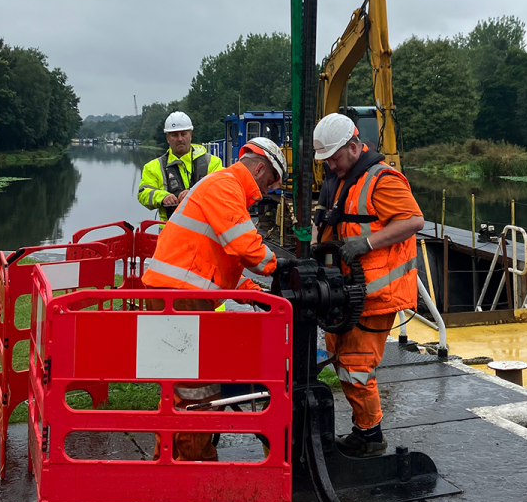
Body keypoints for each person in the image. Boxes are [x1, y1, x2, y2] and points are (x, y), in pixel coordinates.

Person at [141, 137, 288, 461]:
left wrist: (247, 290)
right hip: (179, 299)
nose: (268, 191)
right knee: (196, 390)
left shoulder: (221, 185)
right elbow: (245, 247)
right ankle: (192, 472)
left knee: (177, 389)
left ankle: (165, 464)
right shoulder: (226, 186)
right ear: (260, 168)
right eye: (270, 183)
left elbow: (212, 256)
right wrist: (282, 265)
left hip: (175, 295)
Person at [312, 113, 424, 458]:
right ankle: (364, 431)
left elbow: (414, 220)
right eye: (326, 159)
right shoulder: (338, 179)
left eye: (334, 156)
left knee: (357, 366)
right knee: (342, 362)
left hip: (375, 292)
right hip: (345, 291)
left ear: (353, 146)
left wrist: (368, 243)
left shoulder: (383, 179)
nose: (330, 164)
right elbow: (325, 221)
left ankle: (371, 438)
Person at [137, 111, 222, 226]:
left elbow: (222, 190)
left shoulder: (212, 163)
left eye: (183, 134)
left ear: (190, 135)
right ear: (168, 138)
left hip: (204, 231)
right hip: (169, 233)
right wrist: (162, 197)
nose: (180, 139)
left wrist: (194, 193)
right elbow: (143, 193)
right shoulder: (152, 167)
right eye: (174, 135)